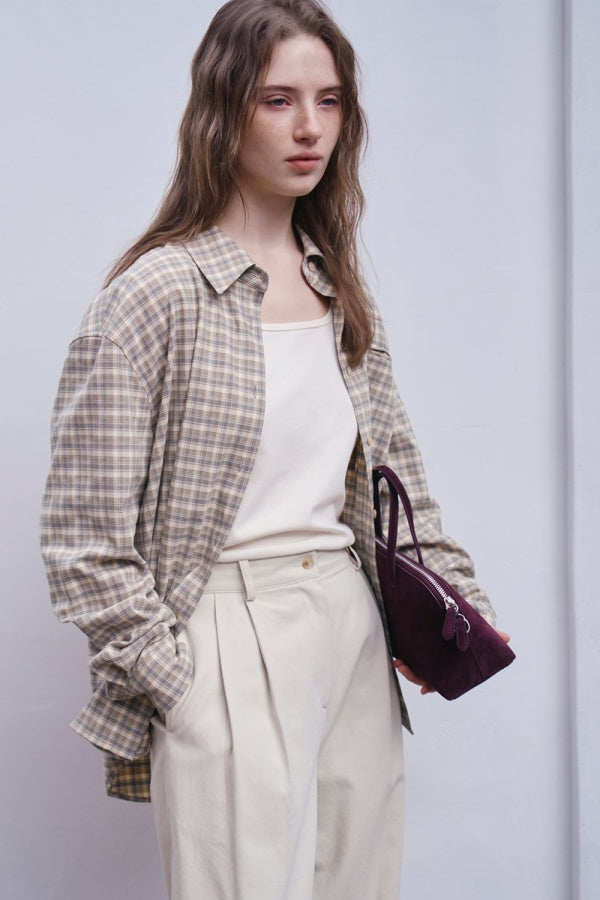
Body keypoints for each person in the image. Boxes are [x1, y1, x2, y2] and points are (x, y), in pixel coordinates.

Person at [40, 1, 508, 898]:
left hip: (352, 624)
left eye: (329, 101)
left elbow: (396, 475)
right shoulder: (155, 295)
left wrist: (460, 610)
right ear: (223, 110)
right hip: (224, 629)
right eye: (278, 100)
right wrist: (177, 680)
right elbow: (83, 538)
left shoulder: (337, 287)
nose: (309, 128)